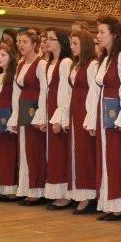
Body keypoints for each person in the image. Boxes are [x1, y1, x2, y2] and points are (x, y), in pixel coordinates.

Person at [92, 15, 121, 220]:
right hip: (105, 111)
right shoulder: (106, 58)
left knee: (117, 157)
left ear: (114, 35)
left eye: (102, 32)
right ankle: (110, 201)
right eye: (98, 32)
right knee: (107, 156)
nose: (98, 36)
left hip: (116, 112)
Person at [10, 31, 48, 204]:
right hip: (23, 107)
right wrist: (15, 116)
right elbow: (16, 92)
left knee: (35, 149)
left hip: (34, 109)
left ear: (34, 44)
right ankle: (25, 187)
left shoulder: (41, 64)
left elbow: (44, 91)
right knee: (24, 149)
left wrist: (40, 115)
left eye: (25, 42)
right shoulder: (20, 64)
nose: (21, 45)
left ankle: (37, 189)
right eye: (19, 42)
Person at [68, 30, 99, 213]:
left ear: (85, 45)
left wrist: (91, 117)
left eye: (75, 44)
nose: (72, 47)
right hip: (75, 109)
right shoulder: (77, 64)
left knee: (86, 153)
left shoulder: (92, 64)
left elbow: (94, 93)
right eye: (71, 43)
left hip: (85, 111)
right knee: (78, 151)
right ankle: (80, 193)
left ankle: (88, 196)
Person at [43, 29, 74, 208]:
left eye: (51, 39)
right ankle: (55, 191)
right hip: (51, 105)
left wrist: (60, 117)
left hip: (59, 108)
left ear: (61, 42)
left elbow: (65, 90)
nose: (47, 41)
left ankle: (64, 194)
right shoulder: (51, 61)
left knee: (60, 152)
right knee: (52, 152)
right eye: (46, 39)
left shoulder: (65, 62)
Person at [0, 48, 20, 201]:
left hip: (8, 116)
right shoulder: (0, 75)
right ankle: (1, 185)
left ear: (11, 57)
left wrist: (13, 119)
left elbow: (15, 98)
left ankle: (11, 188)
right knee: (0, 152)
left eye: (3, 55)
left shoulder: (13, 76)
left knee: (9, 152)